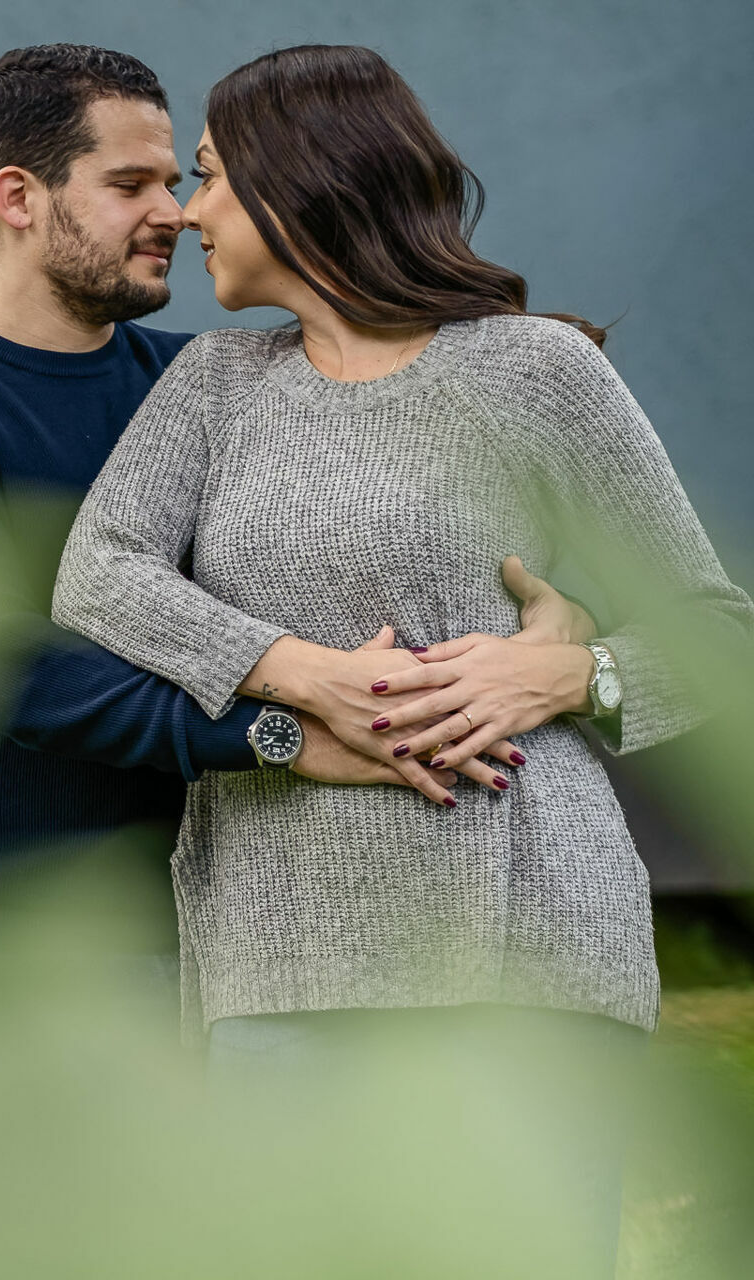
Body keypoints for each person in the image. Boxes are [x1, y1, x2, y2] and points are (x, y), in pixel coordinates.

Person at [49, 43, 754, 1268]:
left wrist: (565, 673)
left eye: (211, 177)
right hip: (281, 953)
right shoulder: (215, 385)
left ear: (298, 180)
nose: (188, 212)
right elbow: (97, 573)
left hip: (528, 948)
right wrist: (289, 667)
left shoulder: (536, 368)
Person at [0, 44, 588, 973]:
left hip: (253, 908)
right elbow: (3, 666)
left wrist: (561, 623)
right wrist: (278, 736)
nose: (174, 213)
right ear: (18, 198)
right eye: (129, 184)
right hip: (30, 932)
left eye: (176, 179)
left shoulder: (218, 383)